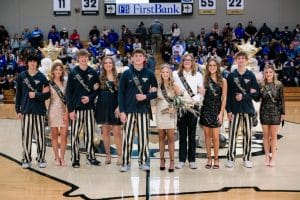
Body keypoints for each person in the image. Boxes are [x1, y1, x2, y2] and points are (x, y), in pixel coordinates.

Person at [118, 48, 158, 172]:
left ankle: (143, 162)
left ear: (144, 58)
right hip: (129, 110)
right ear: (132, 59)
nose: (138, 58)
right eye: (136, 56)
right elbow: (121, 93)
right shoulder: (126, 73)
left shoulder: (150, 74)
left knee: (143, 138)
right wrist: (122, 111)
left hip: (143, 111)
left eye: (141, 56)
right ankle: (125, 163)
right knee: (127, 138)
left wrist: (146, 96)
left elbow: (156, 92)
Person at [65, 49, 101, 168]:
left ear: (88, 58)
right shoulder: (73, 73)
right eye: (81, 57)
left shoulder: (93, 72)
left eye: (85, 57)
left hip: (90, 108)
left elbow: (97, 90)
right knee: (74, 135)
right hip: (76, 109)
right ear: (78, 59)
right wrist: (70, 110)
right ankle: (75, 158)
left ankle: (91, 157)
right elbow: (68, 93)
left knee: (90, 134)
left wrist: (90, 98)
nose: (83, 59)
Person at [15, 54, 50, 169]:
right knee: (26, 137)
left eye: (34, 61)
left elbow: (47, 95)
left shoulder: (42, 77)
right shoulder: (22, 76)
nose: (32, 63)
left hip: (39, 111)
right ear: (27, 63)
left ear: (37, 63)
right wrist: (18, 110)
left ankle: (41, 158)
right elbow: (19, 94)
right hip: (26, 111)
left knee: (40, 136)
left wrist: (36, 94)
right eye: (30, 61)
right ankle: (26, 158)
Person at [225, 51, 259, 168]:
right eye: (238, 58)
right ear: (236, 61)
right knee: (232, 134)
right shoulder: (231, 76)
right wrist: (228, 110)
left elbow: (256, 93)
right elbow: (228, 95)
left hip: (247, 109)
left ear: (246, 61)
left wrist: (244, 96)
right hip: (234, 110)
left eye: (243, 58)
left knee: (248, 135)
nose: (240, 60)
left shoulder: (251, 75)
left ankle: (247, 158)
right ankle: (230, 158)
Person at [173, 53, 204, 169]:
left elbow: (200, 92)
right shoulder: (176, 74)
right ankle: (181, 159)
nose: (187, 62)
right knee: (182, 134)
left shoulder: (199, 75)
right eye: (185, 60)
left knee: (192, 134)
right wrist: (183, 100)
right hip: (181, 107)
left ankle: (192, 160)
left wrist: (193, 100)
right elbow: (173, 89)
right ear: (182, 61)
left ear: (193, 62)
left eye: (189, 60)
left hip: (194, 106)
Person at [199, 58, 227, 169]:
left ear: (217, 67)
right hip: (206, 109)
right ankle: (209, 158)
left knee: (216, 137)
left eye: (214, 65)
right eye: (210, 65)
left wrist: (221, 113)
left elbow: (224, 98)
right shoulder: (204, 80)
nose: (212, 67)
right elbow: (200, 93)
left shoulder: (223, 81)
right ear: (207, 67)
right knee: (207, 136)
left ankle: (216, 158)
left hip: (217, 110)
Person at [95, 56, 122, 165]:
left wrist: (120, 106)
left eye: (110, 63)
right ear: (103, 65)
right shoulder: (100, 77)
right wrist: (94, 87)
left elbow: (122, 93)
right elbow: (95, 91)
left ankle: (120, 155)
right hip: (103, 106)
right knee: (105, 131)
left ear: (113, 64)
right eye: (106, 63)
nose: (108, 64)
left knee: (117, 132)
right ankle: (108, 155)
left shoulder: (118, 77)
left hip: (115, 107)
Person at [155, 64, 181, 172]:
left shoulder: (174, 85)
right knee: (161, 137)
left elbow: (180, 101)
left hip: (171, 113)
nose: (165, 74)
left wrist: (174, 107)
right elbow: (154, 101)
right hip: (160, 112)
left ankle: (171, 161)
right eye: (163, 72)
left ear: (170, 74)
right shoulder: (157, 85)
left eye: (167, 72)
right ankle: (161, 160)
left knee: (170, 138)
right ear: (160, 74)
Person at [259, 64, 285, 167]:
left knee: (274, 136)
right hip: (264, 112)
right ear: (264, 74)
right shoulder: (261, 85)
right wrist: (253, 91)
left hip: (276, 112)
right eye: (266, 72)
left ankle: (273, 158)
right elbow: (257, 98)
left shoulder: (279, 84)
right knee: (266, 136)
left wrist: (283, 112)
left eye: (270, 72)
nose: (268, 74)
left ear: (273, 73)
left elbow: (282, 99)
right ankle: (266, 157)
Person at [48, 62, 68, 166]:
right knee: (54, 135)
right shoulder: (49, 83)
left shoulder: (66, 83)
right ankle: (56, 157)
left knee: (64, 136)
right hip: (53, 111)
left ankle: (62, 157)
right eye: (56, 69)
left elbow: (69, 99)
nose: (58, 71)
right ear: (53, 71)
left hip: (64, 111)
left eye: (60, 70)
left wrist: (67, 112)